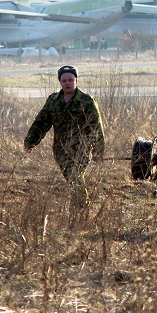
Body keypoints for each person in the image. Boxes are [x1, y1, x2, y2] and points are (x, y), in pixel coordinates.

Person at [24, 65, 105, 216]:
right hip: (61, 150)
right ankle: (79, 210)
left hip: (82, 148)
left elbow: (96, 127)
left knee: (75, 176)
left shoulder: (86, 101)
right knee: (71, 177)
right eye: (64, 80)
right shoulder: (53, 101)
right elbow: (41, 123)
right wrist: (31, 141)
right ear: (60, 82)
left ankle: (81, 209)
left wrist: (99, 151)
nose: (67, 83)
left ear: (76, 81)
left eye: (71, 80)